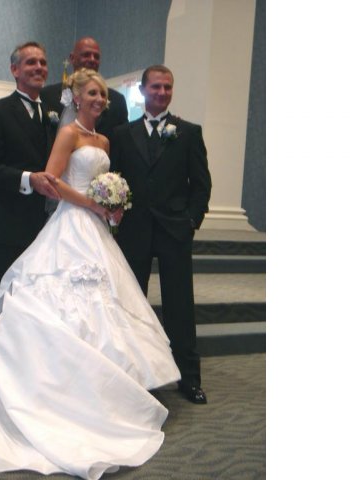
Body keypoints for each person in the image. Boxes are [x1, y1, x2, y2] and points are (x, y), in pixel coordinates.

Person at [0, 68, 181, 480]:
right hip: (71, 223)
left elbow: (104, 181)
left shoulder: (104, 140)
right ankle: (55, 390)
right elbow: (53, 181)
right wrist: (91, 203)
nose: (99, 100)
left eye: (103, 95)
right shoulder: (68, 134)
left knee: (107, 302)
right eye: (92, 94)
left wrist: (113, 205)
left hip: (97, 228)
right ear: (76, 97)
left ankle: (104, 393)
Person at [110, 65, 212, 404]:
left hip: (174, 231)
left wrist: (190, 221)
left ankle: (189, 378)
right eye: (156, 87)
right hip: (134, 231)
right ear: (143, 90)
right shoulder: (122, 134)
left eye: (168, 87)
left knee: (180, 306)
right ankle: (133, 373)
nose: (162, 92)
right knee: (131, 304)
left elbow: (201, 185)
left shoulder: (189, 132)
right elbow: (115, 179)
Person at [0, 41, 61, 373]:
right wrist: (28, 179)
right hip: (8, 223)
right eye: (31, 62)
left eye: (43, 62)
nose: (39, 68)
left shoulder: (53, 115)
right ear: (14, 70)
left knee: (33, 299)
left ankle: (19, 369)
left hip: (45, 225)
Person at [40, 36, 128, 142]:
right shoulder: (47, 95)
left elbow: (123, 142)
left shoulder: (117, 101)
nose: (92, 59)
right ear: (72, 58)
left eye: (96, 57)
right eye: (86, 55)